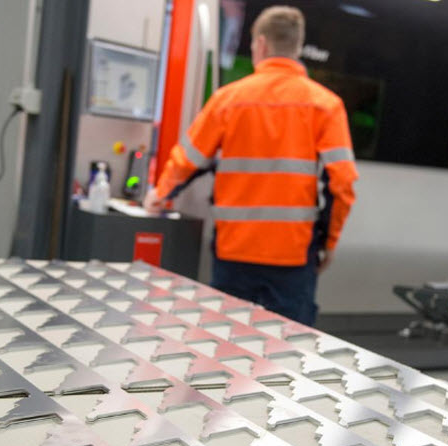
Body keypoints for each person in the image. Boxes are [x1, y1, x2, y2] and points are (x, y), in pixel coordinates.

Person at [144, 6, 358, 326]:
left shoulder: (228, 99)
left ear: (260, 44)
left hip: (234, 251)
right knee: (289, 351)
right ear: (297, 47)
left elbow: (190, 159)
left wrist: (158, 195)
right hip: (293, 257)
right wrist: (327, 243)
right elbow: (342, 184)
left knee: (226, 345)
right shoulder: (326, 105)